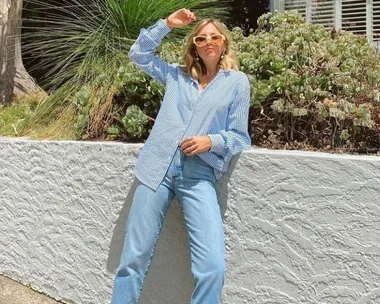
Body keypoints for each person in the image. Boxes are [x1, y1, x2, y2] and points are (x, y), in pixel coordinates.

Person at [111, 8, 251, 304]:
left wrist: (210, 141)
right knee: (132, 260)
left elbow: (240, 137)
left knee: (212, 268)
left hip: (198, 175)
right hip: (155, 171)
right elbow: (138, 55)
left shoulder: (237, 83)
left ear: (224, 43)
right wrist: (166, 25)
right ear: (195, 47)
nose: (208, 42)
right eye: (201, 38)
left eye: (215, 37)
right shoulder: (177, 76)